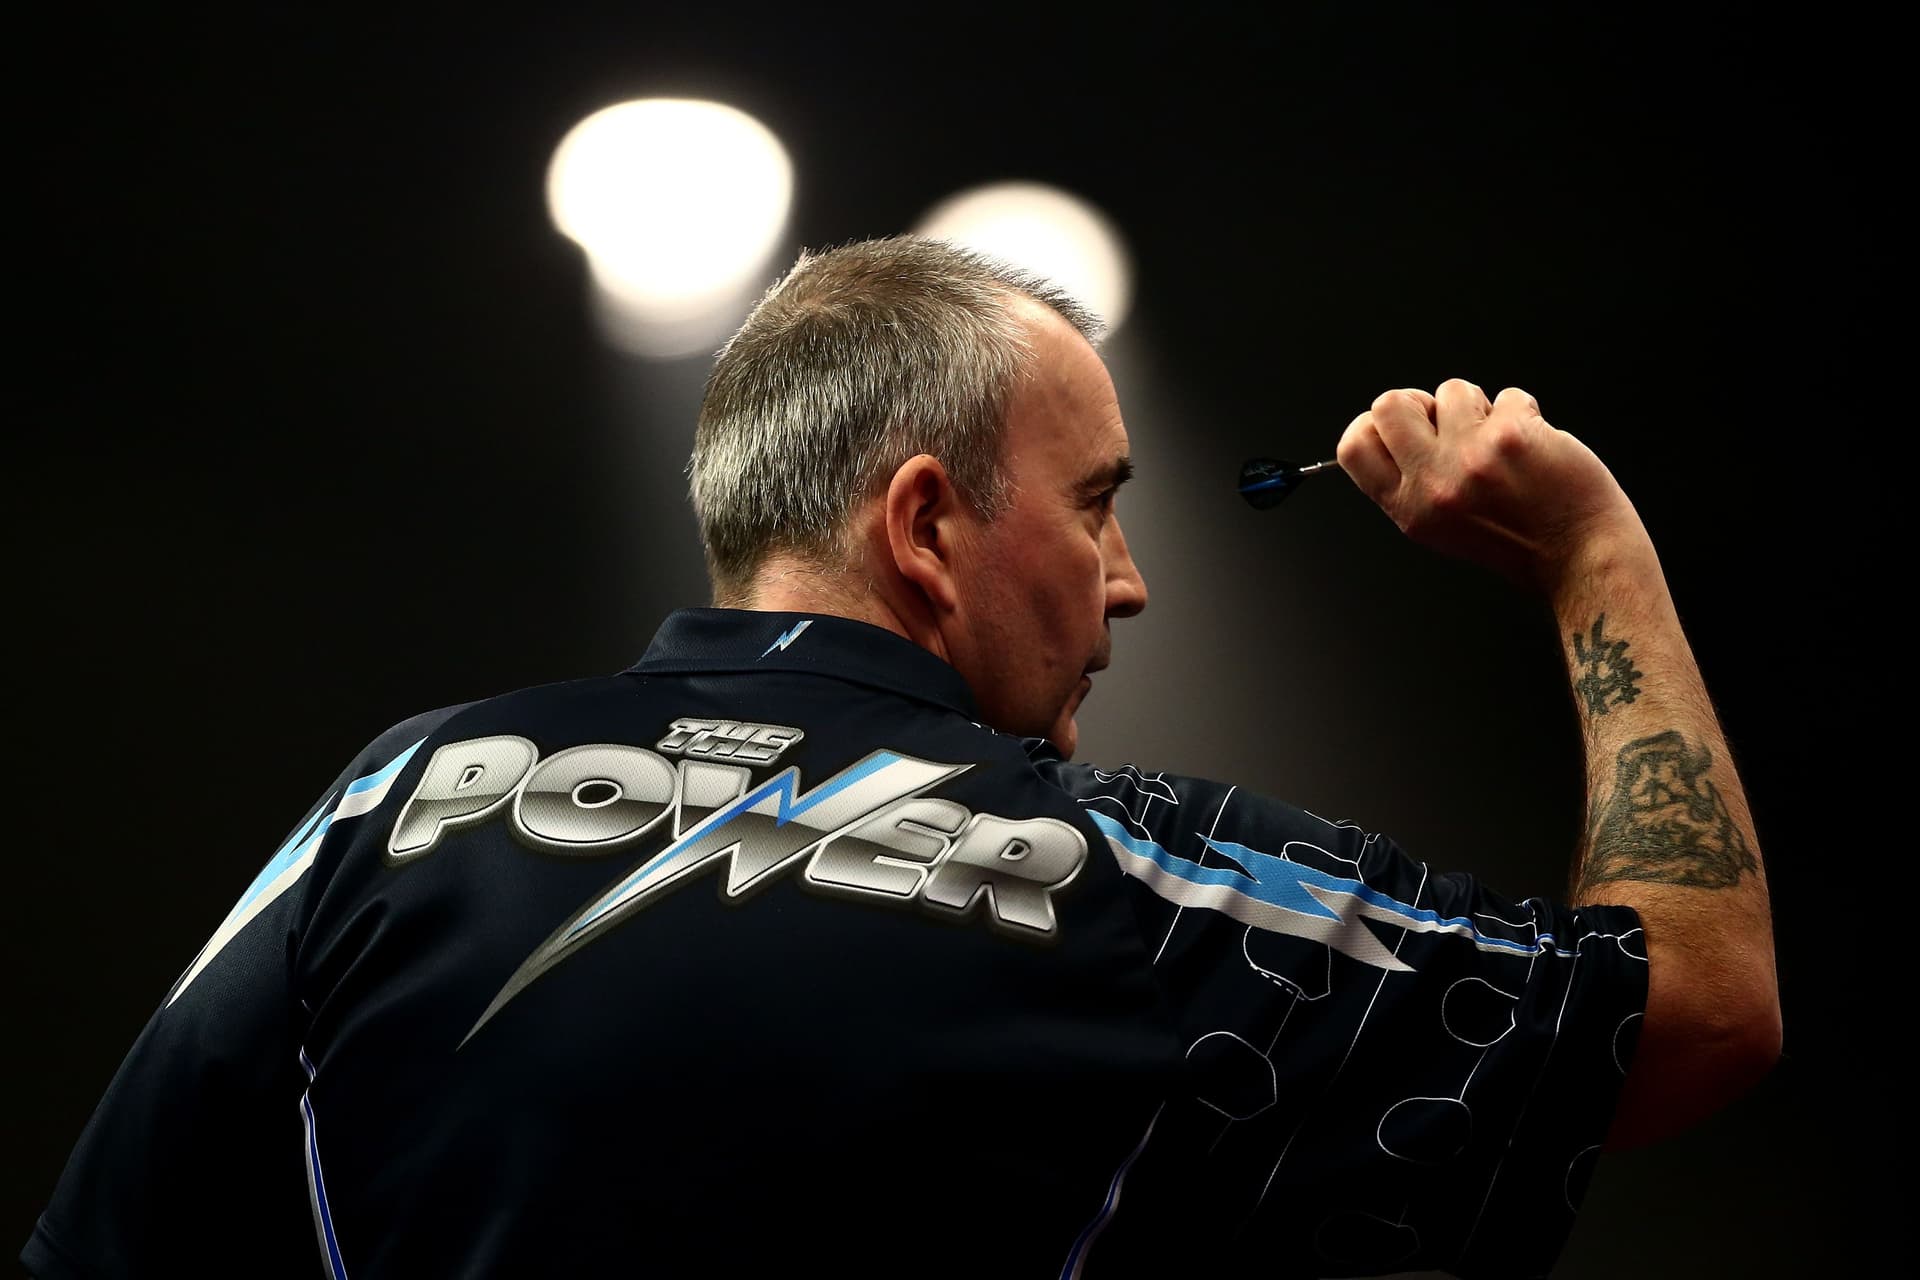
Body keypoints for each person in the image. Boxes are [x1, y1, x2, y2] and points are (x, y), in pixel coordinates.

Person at [22, 236, 1779, 1279]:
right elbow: (1696, 1010)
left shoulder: (394, 799)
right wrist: (1593, 553)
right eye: (1098, 509)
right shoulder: (1119, 884)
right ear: (925, 524)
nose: (1133, 584)